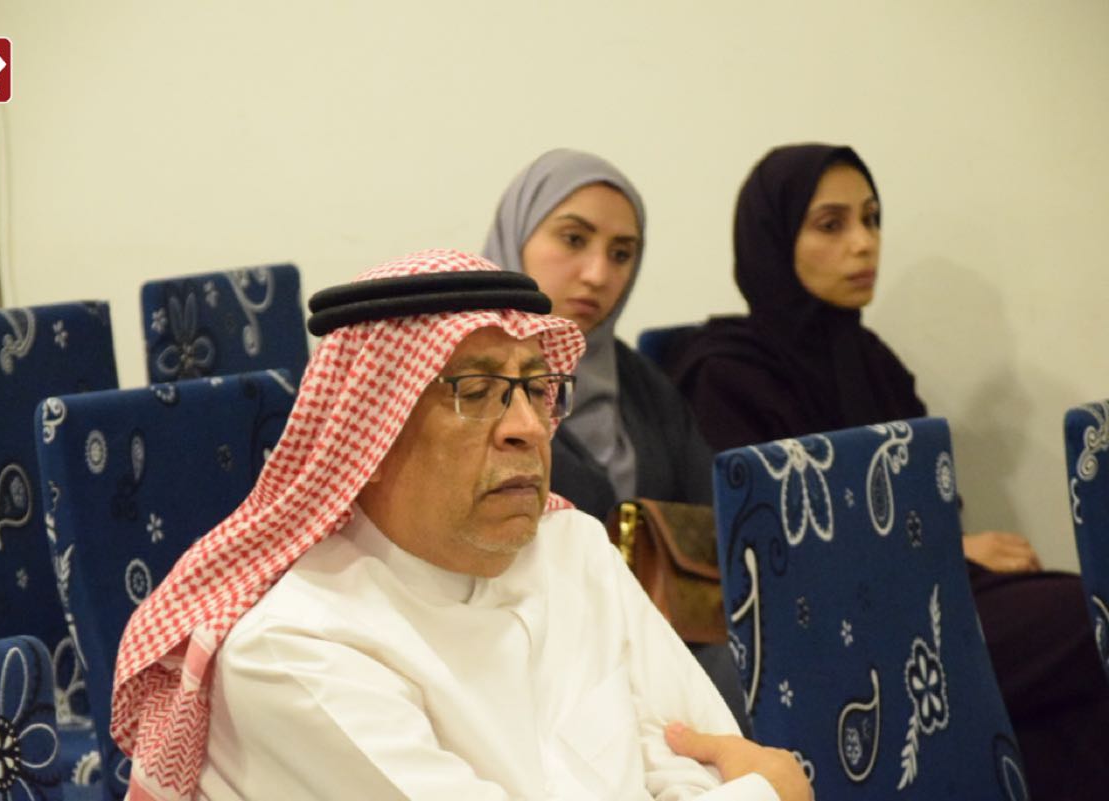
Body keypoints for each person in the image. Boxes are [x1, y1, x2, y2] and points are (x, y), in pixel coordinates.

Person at [110, 250, 810, 800]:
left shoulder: (574, 549)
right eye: (475, 392)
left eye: (537, 388)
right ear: (371, 436)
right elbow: (751, 782)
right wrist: (765, 794)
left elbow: (704, 754)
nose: (528, 427)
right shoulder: (291, 652)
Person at [663, 143, 1109, 799]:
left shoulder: (869, 357)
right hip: (828, 626)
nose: (864, 243)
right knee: (1084, 622)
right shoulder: (727, 373)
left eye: (872, 219)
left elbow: (930, 498)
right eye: (832, 224)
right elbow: (770, 548)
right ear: (773, 238)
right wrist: (955, 550)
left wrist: (948, 549)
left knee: (1076, 667)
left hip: (921, 591)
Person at [482, 149, 749, 735]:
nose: (598, 274)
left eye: (622, 253)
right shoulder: (468, 389)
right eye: (573, 240)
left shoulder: (640, 384)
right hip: (521, 659)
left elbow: (712, 517)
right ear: (517, 237)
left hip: (659, 644)